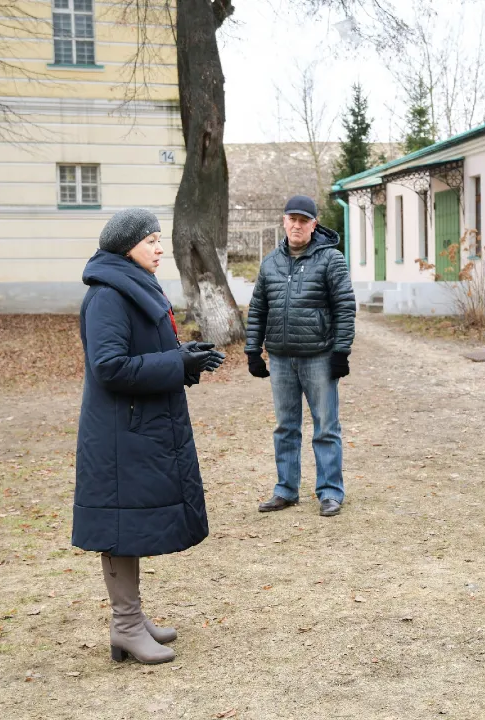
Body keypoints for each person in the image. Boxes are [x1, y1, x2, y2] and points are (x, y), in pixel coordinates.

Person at [73, 208, 225, 665]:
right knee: (119, 528)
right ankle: (124, 625)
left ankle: (132, 620)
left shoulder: (133, 285)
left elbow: (140, 351)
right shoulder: (108, 296)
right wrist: (176, 365)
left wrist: (183, 355)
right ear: (126, 246)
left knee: (130, 525)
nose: (160, 249)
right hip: (120, 434)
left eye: (160, 240)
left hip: (135, 427)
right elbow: (110, 366)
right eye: (151, 241)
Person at [245, 195, 356, 517]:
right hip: (280, 358)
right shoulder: (270, 262)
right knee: (285, 427)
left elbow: (344, 307)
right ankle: (285, 489)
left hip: (318, 357)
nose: (297, 225)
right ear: (284, 221)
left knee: (325, 428)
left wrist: (341, 351)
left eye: (303, 220)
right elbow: (258, 309)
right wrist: (253, 350)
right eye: (292, 219)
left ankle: (330, 492)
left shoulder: (330, 259)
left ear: (313, 224)